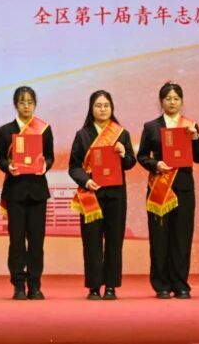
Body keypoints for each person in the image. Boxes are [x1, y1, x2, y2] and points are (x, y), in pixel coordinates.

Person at [136, 82, 199, 299]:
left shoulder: (190, 126)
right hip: (159, 187)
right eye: (168, 98)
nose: (172, 102)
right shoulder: (151, 126)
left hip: (184, 188)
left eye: (176, 98)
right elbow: (142, 156)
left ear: (182, 101)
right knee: (159, 238)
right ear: (161, 101)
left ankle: (181, 284)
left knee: (182, 237)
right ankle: (161, 285)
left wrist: (195, 138)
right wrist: (155, 164)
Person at [68, 90, 137, 300]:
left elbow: (130, 163)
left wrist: (124, 153)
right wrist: (85, 180)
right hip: (91, 194)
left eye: (106, 105)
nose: (103, 109)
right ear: (91, 109)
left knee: (114, 241)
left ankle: (111, 286)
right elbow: (74, 166)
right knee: (92, 242)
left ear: (112, 108)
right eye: (98, 106)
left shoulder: (121, 134)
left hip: (116, 195)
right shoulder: (82, 135)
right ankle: (93, 286)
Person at [0, 86, 55, 300]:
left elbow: (50, 156)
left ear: (35, 104)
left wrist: (45, 165)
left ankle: (35, 285)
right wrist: (7, 166)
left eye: (30, 102)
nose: (26, 106)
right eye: (22, 102)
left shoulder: (44, 129)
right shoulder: (6, 130)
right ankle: (18, 285)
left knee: (37, 242)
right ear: (15, 105)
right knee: (17, 241)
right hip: (15, 192)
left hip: (38, 192)